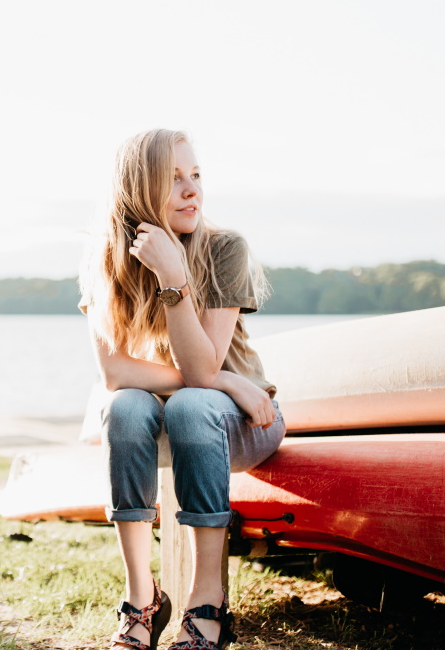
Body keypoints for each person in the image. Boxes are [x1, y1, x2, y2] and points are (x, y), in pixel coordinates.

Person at [78, 129, 285, 650]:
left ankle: (206, 600)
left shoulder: (223, 249)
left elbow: (199, 372)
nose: (192, 190)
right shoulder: (103, 257)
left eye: (196, 176)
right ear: (136, 189)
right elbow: (114, 374)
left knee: (194, 405)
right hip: (170, 415)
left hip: (243, 422)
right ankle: (142, 597)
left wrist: (174, 278)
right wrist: (223, 379)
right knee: (124, 407)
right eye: (173, 179)